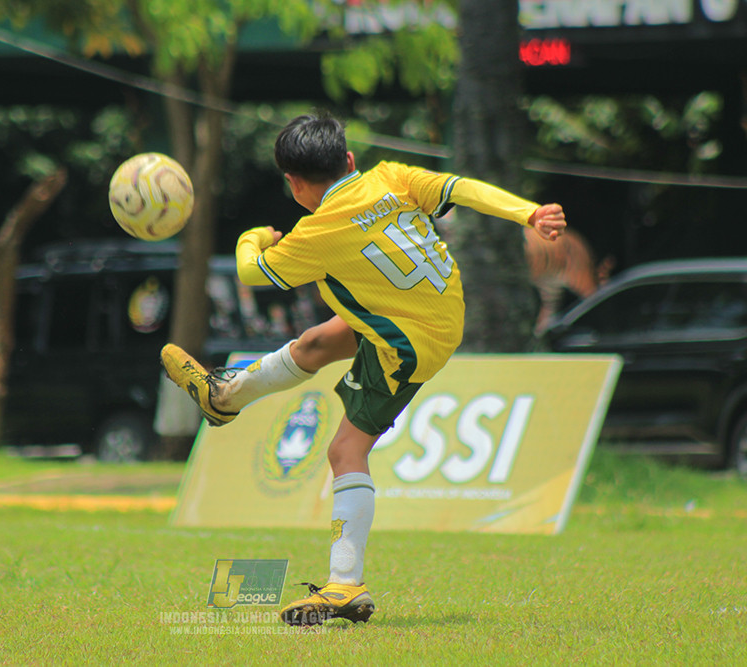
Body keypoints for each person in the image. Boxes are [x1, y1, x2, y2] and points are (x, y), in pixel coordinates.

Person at [161, 112, 566, 626]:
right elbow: (462, 188)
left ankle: (344, 585)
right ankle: (226, 397)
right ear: (349, 159)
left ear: (293, 184)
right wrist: (529, 212)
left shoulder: (317, 232)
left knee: (345, 449)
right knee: (314, 343)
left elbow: (250, 271)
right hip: (430, 309)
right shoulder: (391, 176)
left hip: (409, 341)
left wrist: (253, 236)